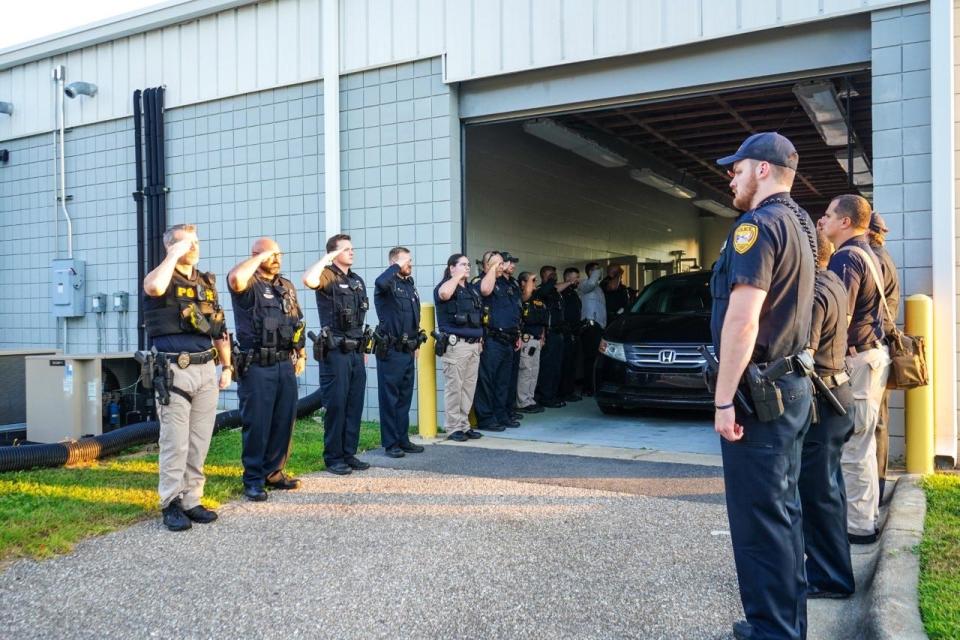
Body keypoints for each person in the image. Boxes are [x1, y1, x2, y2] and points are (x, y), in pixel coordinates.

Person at [710, 132, 816, 640]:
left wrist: (724, 399)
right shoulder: (801, 224)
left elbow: (743, 320)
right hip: (791, 384)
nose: (731, 176)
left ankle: (773, 631)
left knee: (758, 522)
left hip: (760, 395)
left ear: (763, 171)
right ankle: (786, 624)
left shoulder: (756, 226)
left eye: (737, 168)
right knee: (783, 512)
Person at [142, 223, 233, 531]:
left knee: (199, 441)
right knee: (175, 442)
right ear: (171, 247)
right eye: (185, 243)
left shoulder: (207, 282)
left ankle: (192, 499)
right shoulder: (162, 277)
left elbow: (219, 328)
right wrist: (173, 256)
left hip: (206, 368)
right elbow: (153, 288)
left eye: (195, 242)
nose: (193, 247)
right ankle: (171, 502)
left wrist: (228, 366)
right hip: (174, 370)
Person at [819, 194, 891, 545]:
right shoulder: (872, 255)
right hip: (873, 356)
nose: (825, 220)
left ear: (845, 221)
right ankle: (865, 518)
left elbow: (838, 315)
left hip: (857, 361)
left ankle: (859, 527)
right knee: (861, 441)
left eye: (829, 215)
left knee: (853, 447)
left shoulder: (846, 259)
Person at [798, 229, 855, 599]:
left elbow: (806, 354)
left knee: (818, 496)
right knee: (830, 492)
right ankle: (833, 569)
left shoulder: (815, 292)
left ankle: (830, 579)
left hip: (823, 400)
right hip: (839, 394)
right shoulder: (833, 279)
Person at [228, 237, 306, 502]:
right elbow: (236, 278)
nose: (276, 259)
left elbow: (297, 320)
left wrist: (301, 351)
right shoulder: (249, 284)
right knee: (258, 422)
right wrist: (259, 258)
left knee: (284, 419)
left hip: (284, 361)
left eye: (278, 254)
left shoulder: (285, 285)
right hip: (257, 364)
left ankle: (274, 472)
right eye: (270, 255)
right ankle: (253, 478)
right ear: (256, 256)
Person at [303, 234, 371, 476]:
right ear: (334, 253)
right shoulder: (326, 275)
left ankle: (348, 453)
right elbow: (308, 280)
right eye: (346, 249)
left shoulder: (357, 280)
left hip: (355, 350)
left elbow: (360, 320)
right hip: (335, 351)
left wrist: (363, 349)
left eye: (353, 248)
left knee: (354, 404)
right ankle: (333, 457)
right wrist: (327, 258)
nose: (352, 252)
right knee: (337, 404)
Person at [374, 246, 426, 459]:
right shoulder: (387, 285)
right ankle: (391, 443)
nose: (410, 265)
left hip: (407, 349)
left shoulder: (409, 285)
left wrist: (416, 344)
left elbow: (414, 317)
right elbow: (380, 282)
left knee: (404, 397)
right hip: (391, 350)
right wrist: (396, 265)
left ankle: (402, 439)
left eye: (410, 261)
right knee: (390, 398)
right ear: (394, 263)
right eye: (406, 261)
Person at [434, 254, 484, 442]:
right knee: (455, 388)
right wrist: (456, 276)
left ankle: (464, 425)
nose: (467, 267)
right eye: (463, 264)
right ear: (451, 267)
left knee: (468, 388)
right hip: (456, 345)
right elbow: (444, 294)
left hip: (473, 346)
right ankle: (453, 427)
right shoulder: (446, 286)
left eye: (469, 265)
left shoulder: (471, 289)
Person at [868, 212, 899, 502]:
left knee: (873, 422)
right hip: (883, 346)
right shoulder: (884, 257)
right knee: (881, 421)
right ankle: (879, 485)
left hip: (872, 346)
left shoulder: (872, 260)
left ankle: (874, 490)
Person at [473, 251, 521, 431]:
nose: (502, 267)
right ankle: (486, 418)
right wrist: (492, 270)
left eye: (502, 264)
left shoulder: (506, 284)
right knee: (487, 381)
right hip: (492, 339)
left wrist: (517, 334)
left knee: (503, 382)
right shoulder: (482, 281)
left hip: (509, 339)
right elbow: (485, 290)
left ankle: (501, 415)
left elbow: (514, 312)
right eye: (498, 264)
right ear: (487, 266)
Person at [535, 265, 575, 408]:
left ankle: (553, 395)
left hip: (559, 333)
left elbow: (557, 288)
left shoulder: (555, 291)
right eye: (549, 274)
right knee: (548, 367)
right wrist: (551, 281)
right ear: (543, 276)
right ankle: (546, 397)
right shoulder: (541, 290)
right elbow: (546, 290)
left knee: (557, 367)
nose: (553, 276)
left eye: (554, 274)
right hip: (549, 334)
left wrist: (570, 282)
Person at [516, 271, 547, 413]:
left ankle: (530, 399)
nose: (534, 283)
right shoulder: (521, 296)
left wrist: (542, 336)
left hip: (536, 339)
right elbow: (525, 296)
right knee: (526, 371)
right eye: (531, 280)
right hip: (526, 339)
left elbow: (543, 321)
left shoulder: (537, 298)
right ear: (523, 283)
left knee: (534, 371)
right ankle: (523, 402)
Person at [501, 252, 524, 423]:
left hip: (513, 334)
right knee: (499, 380)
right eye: (510, 262)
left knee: (510, 378)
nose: (513, 265)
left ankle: (508, 410)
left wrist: (518, 333)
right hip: (498, 337)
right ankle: (499, 414)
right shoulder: (491, 282)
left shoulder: (513, 283)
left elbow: (516, 309)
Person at [578, 262, 606, 396]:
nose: (599, 272)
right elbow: (591, 283)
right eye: (595, 270)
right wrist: (597, 271)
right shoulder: (584, 284)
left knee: (596, 358)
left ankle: (593, 386)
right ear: (590, 272)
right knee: (590, 358)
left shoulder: (599, 288)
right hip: (590, 325)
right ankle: (588, 387)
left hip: (599, 326)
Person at [559, 267, 583, 401]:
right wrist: (569, 283)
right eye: (575, 278)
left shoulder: (574, 293)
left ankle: (570, 391)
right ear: (568, 278)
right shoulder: (562, 291)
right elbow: (554, 289)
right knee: (565, 364)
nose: (577, 280)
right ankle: (564, 392)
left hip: (575, 332)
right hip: (566, 332)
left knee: (572, 364)